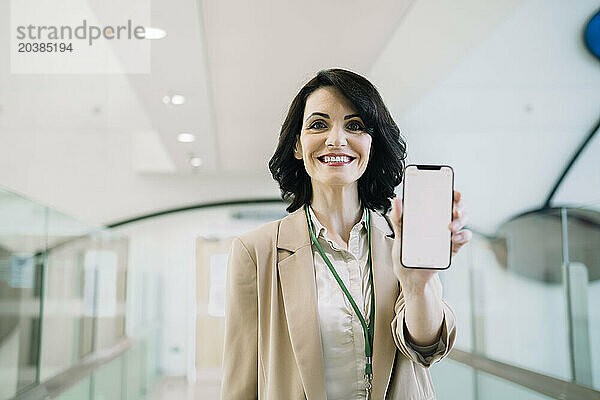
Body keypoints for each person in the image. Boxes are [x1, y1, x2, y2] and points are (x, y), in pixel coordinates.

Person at [221, 68, 471, 400]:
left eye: (354, 126)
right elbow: (241, 380)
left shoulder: (401, 241)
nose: (336, 140)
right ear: (297, 144)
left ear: (372, 144)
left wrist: (418, 284)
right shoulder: (256, 252)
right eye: (318, 125)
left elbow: (426, 348)